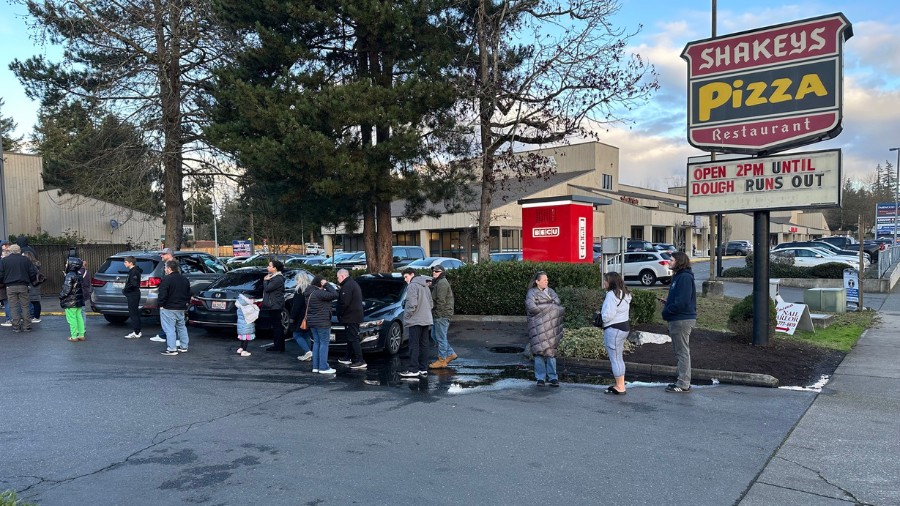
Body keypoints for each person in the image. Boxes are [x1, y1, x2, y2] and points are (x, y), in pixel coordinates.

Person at [661, 251, 697, 393]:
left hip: (681, 319)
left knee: (682, 352)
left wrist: (667, 311)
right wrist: (668, 302)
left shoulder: (684, 278)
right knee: (680, 351)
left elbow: (682, 302)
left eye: (671, 260)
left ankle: (683, 383)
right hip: (679, 317)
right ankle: (682, 380)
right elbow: (679, 299)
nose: (669, 262)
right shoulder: (679, 277)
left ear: (679, 262)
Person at [526, 271, 564, 387]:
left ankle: (553, 377)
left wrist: (544, 305)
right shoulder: (531, 293)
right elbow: (531, 307)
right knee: (539, 353)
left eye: (547, 280)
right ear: (537, 281)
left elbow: (558, 302)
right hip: (537, 326)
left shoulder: (551, 291)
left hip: (551, 327)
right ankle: (540, 378)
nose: (546, 282)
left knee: (551, 352)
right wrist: (550, 306)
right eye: (544, 280)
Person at [398, 267, 433, 379]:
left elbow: (411, 304)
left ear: (412, 274)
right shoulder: (425, 285)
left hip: (415, 320)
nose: (405, 280)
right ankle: (423, 369)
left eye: (406, 277)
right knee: (424, 345)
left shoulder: (412, 286)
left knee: (413, 345)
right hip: (426, 319)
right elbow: (431, 303)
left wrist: (407, 317)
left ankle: (413, 369)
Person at [600, 271, 631, 395]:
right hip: (624, 327)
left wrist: (601, 316)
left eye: (606, 280)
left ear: (611, 282)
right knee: (619, 357)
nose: (604, 283)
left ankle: (620, 386)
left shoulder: (611, 295)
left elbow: (608, 315)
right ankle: (621, 383)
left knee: (615, 359)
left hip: (613, 329)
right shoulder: (625, 294)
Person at [304, 275, 338, 374]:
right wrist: (326, 284)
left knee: (316, 343)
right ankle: (323, 367)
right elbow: (334, 294)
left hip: (312, 322)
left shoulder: (309, 292)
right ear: (321, 283)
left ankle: (315, 366)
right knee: (324, 343)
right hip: (322, 322)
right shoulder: (319, 293)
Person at [0, 244, 38, 332]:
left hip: (10, 286)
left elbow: (1, 274)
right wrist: (31, 281)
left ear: (10, 251)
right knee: (25, 306)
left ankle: (16, 326)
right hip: (23, 285)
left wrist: (3, 282)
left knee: (13, 307)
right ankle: (26, 326)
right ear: (19, 251)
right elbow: (32, 272)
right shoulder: (25, 260)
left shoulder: (4, 260)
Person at [158, 260, 191, 356]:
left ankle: (172, 349)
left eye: (165, 268)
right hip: (181, 307)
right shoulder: (184, 279)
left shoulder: (166, 279)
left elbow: (163, 294)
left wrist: (161, 304)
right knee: (181, 327)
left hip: (169, 307)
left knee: (169, 329)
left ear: (168, 268)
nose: (165, 269)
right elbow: (188, 293)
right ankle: (184, 346)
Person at [428, 264, 458, 369]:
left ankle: (442, 360)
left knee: (440, 338)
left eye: (437, 271)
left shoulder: (442, 283)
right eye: (433, 271)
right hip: (440, 314)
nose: (434, 273)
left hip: (442, 315)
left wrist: (438, 315)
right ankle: (450, 354)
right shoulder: (438, 283)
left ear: (442, 273)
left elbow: (441, 301)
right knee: (435, 336)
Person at [336, 268, 366, 369]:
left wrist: (339, 313)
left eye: (338, 277)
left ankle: (360, 360)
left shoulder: (347, 286)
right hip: (354, 316)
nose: (337, 280)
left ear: (342, 276)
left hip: (351, 316)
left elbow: (344, 303)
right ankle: (347, 357)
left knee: (353, 338)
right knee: (350, 338)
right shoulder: (352, 284)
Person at [150, 248, 176, 343]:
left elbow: (173, 281)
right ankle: (163, 334)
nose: (161, 255)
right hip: (166, 294)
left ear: (169, 255)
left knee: (170, 317)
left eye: (163, 254)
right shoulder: (165, 265)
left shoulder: (174, 265)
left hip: (170, 296)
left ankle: (169, 337)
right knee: (166, 316)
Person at [59, 257, 86, 342]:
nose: (66, 265)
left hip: (70, 301)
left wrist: (61, 296)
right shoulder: (79, 274)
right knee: (79, 317)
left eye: (67, 263)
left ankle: (73, 336)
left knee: (71, 318)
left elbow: (66, 289)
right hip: (78, 300)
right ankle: (81, 334)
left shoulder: (69, 275)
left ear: (71, 265)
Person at [262, 260, 286, 352]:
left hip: (275, 305)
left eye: (269, 266)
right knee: (276, 325)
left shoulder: (277, 278)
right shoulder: (273, 277)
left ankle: (279, 346)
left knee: (277, 326)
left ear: (275, 268)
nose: (267, 267)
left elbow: (268, 289)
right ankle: (277, 345)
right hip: (273, 304)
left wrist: (265, 281)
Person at [289, 273, 313, 362]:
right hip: (309, 315)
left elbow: (296, 306)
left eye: (297, 279)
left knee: (297, 334)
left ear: (300, 280)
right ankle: (308, 352)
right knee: (306, 334)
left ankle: (307, 351)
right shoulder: (310, 289)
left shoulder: (300, 290)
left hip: (300, 316)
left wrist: (292, 317)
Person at [122, 256, 143, 339]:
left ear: (131, 263)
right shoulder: (133, 271)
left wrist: (125, 290)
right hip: (133, 294)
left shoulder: (134, 272)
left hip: (133, 294)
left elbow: (133, 284)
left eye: (126, 262)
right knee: (134, 312)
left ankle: (136, 332)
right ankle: (137, 330)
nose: (124, 263)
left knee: (133, 313)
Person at [24, 251, 42, 323]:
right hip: (36, 284)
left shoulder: (30, 266)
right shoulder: (36, 264)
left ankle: (35, 316)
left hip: (32, 284)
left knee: (33, 301)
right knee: (35, 301)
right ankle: (36, 316)